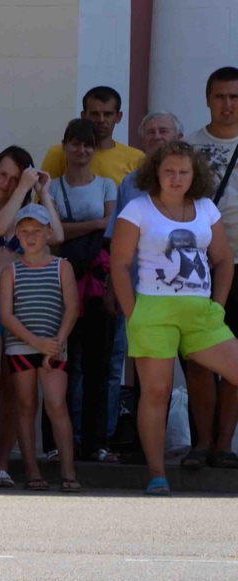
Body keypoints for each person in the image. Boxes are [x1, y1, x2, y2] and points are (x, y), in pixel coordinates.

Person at [110, 141, 238, 495]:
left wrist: (218, 306)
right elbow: (119, 265)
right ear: (156, 173)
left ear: (195, 174)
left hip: (201, 312)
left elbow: (223, 260)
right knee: (157, 392)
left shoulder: (206, 207)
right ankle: (157, 474)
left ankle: (217, 445)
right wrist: (133, 313)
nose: (176, 178)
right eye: (169, 171)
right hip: (153, 309)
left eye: (184, 172)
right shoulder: (137, 208)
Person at [0, 147, 64, 487]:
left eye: (16, 179)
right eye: (3, 175)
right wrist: (22, 190)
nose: (7, 183)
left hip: (22, 311)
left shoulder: (25, 218)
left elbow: (58, 237)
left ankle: (2, 465)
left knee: (14, 391)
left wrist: (42, 192)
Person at [104, 112, 185, 443]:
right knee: (145, 370)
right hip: (142, 291)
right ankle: (144, 445)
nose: (157, 136)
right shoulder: (130, 183)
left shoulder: (193, 180)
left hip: (189, 291)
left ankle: (203, 447)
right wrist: (113, 289)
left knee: (195, 367)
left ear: (177, 136)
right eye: (150, 131)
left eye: (164, 130)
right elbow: (116, 241)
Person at [42, 119, 117, 464]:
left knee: (98, 366)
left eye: (87, 144)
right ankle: (55, 444)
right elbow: (51, 234)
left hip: (98, 285)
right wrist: (95, 224)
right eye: (75, 143)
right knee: (59, 365)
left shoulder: (106, 185)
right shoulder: (52, 188)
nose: (81, 150)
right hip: (59, 284)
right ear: (64, 146)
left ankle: (96, 443)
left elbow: (111, 231)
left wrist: (73, 228)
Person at [0, 205, 82, 492]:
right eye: (24, 231)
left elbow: (72, 308)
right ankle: (32, 471)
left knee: (57, 404)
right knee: (25, 406)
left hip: (54, 347)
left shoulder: (62, 266)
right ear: (16, 234)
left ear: (49, 232)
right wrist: (36, 342)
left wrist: (55, 343)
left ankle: (68, 472)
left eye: (36, 230)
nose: (30, 236)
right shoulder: (10, 271)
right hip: (20, 348)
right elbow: (6, 315)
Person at [182, 66, 238, 469]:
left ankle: (224, 446)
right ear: (207, 99)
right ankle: (201, 444)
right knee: (199, 357)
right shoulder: (188, 147)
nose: (228, 104)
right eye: (220, 96)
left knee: (235, 358)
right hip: (195, 266)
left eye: (235, 97)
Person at [40, 86, 145, 186]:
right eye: (94, 114)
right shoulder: (60, 153)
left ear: (118, 117)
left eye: (108, 114)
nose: (101, 120)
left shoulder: (136, 159)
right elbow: (44, 194)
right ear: (83, 116)